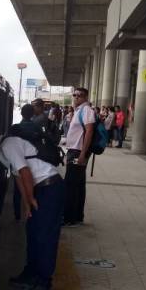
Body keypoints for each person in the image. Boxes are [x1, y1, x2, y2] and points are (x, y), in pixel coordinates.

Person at [0, 129, 64, 290]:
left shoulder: (8, 144)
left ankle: (44, 286)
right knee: (33, 233)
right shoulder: (1, 149)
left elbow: (25, 172)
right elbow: (18, 176)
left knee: (45, 237)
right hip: (40, 188)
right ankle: (31, 275)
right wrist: (27, 204)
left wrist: (31, 198)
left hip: (49, 188)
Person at [63, 87, 95, 226]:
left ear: (86, 97)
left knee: (70, 185)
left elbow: (89, 132)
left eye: (80, 95)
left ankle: (69, 219)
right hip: (74, 150)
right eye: (74, 95)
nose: (76, 97)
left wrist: (83, 154)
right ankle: (77, 217)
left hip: (77, 152)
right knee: (79, 185)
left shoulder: (86, 110)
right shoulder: (78, 111)